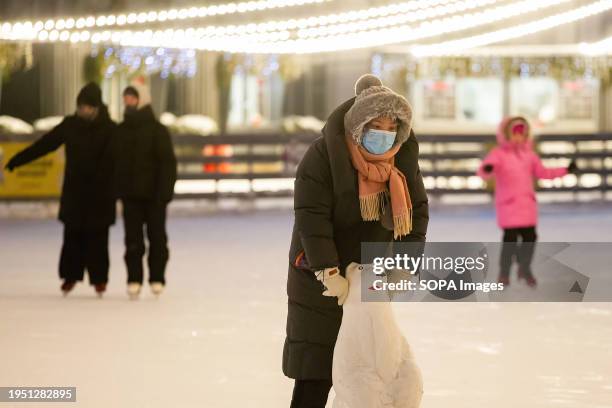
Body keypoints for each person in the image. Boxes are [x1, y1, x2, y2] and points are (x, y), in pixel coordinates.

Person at [283, 74, 429, 408]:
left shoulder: (402, 158)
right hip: (321, 279)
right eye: (377, 124)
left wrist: (405, 263)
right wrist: (327, 271)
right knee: (317, 370)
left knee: (370, 369)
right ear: (359, 125)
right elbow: (311, 215)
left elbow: (417, 211)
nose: (385, 133)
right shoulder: (325, 155)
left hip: (369, 277)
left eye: (392, 126)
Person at [4, 82, 117, 297]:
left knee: (97, 238)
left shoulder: (110, 129)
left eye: (86, 107)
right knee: (72, 235)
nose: (82, 111)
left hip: (100, 193)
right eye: (80, 107)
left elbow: (116, 161)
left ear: (96, 108)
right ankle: (70, 276)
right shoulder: (70, 125)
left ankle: (99, 279)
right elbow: (45, 144)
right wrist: (18, 160)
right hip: (75, 190)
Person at [477, 116, 577, 286]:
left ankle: (524, 268)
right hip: (509, 206)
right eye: (514, 133)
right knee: (510, 241)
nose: (518, 137)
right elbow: (486, 168)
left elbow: (544, 172)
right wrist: (487, 168)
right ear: (507, 134)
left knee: (530, 238)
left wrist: (565, 170)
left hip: (527, 206)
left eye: (521, 133)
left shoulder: (529, 156)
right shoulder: (499, 154)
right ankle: (504, 273)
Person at [115, 83, 177, 299]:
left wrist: (164, 193)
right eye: (125, 99)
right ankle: (134, 279)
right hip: (130, 196)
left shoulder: (157, 131)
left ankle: (157, 277)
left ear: (142, 100)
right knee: (132, 240)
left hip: (154, 197)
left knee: (157, 238)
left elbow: (168, 163)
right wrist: (117, 189)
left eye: (131, 98)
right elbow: (115, 163)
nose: (127, 102)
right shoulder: (120, 131)